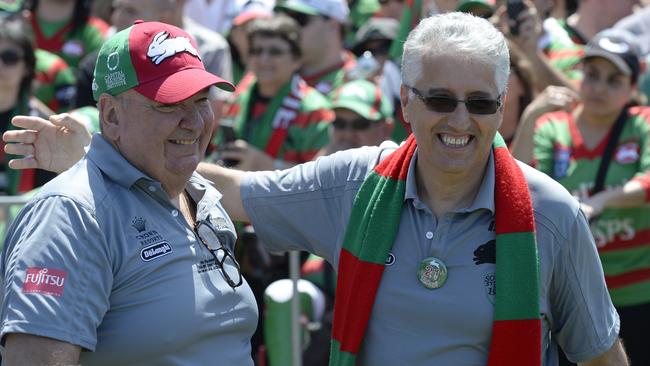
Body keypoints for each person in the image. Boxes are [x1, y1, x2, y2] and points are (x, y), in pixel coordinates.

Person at [2, 13, 628, 366]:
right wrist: (101, 159)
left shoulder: (548, 212)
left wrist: (117, 154)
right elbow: (242, 188)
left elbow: (603, 357)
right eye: (439, 99)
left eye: (480, 103)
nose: (460, 121)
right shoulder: (357, 183)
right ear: (405, 102)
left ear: (503, 106)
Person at [0, 20, 260, 365]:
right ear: (110, 115)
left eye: (200, 100)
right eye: (169, 104)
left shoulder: (202, 198)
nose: (195, 122)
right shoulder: (71, 214)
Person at [527, 28, 650, 366]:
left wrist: (602, 201)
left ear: (632, 88)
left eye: (614, 80)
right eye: (592, 75)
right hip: (573, 294)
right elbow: (535, 191)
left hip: (638, 294)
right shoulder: (552, 126)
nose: (599, 88)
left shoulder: (642, 124)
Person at [215, 14, 333, 171]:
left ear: (297, 59)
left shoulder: (315, 111)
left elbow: (323, 176)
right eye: (257, 51)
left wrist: (265, 166)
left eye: (275, 52)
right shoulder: (237, 99)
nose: (264, 59)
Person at [275, 0, 356, 97]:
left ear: (333, 25)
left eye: (298, 19)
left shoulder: (355, 83)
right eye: (286, 19)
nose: (289, 28)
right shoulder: (270, 70)